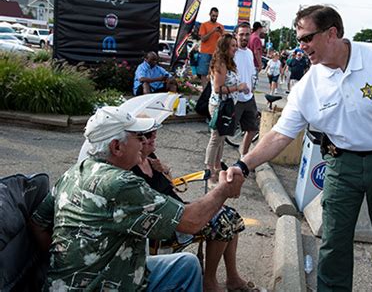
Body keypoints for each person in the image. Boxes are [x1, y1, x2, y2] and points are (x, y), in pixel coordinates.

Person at [227, 5, 372, 291]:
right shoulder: (309, 85)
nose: (302, 46)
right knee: (334, 245)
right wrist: (243, 164)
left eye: (307, 38)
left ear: (332, 33)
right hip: (341, 167)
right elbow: (279, 135)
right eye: (300, 40)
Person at [29, 106, 244, 291]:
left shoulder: (74, 172)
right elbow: (191, 222)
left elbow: (38, 223)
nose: (143, 143)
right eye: (138, 137)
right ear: (116, 146)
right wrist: (222, 190)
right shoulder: (120, 183)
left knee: (186, 264)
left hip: (68, 282)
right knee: (186, 267)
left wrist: (68, 262)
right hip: (101, 285)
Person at [131, 126, 260, 292]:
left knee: (229, 215)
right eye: (147, 134)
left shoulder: (150, 159)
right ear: (136, 140)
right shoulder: (131, 170)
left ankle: (232, 277)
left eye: (154, 132)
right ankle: (209, 282)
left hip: (179, 208)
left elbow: (171, 187)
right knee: (223, 220)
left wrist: (164, 170)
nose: (154, 136)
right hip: (166, 221)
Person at [205, 34, 249, 183]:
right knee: (216, 138)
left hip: (228, 105)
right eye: (232, 45)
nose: (236, 48)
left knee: (222, 138)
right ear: (224, 47)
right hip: (219, 106)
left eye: (236, 45)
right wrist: (238, 87)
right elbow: (218, 88)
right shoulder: (220, 63)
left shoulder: (228, 62)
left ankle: (217, 167)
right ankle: (209, 170)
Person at [233, 22, 259, 158]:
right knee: (224, 132)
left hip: (249, 98)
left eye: (247, 34)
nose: (244, 37)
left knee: (252, 129)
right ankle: (215, 163)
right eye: (241, 34)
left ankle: (243, 156)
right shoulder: (232, 52)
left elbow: (250, 73)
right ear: (236, 35)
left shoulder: (249, 53)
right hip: (235, 99)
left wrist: (252, 87)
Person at [198, 7, 225, 87]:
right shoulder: (204, 25)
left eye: (216, 16)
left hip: (216, 53)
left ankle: (212, 90)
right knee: (204, 73)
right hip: (205, 52)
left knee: (215, 73)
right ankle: (204, 91)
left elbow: (224, 40)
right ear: (210, 14)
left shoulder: (221, 26)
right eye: (213, 15)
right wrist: (212, 31)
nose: (214, 18)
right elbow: (203, 39)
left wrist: (220, 32)